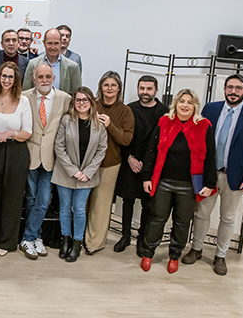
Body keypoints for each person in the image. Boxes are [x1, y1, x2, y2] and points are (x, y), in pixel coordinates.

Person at [183, 74, 243, 275]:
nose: (233, 91)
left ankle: (220, 255)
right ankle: (196, 248)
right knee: (201, 213)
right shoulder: (210, 109)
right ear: (224, 89)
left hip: (235, 177)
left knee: (228, 217)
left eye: (238, 88)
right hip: (209, 175)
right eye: (230, 87)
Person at [140, 89, 217, 274]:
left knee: (182, 222)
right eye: (182, 101)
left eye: (189, 102)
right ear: (176, 103)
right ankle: (148, 253)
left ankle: (174, 255)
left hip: (189, 186)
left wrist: (210, 184)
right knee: (157, 218)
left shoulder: (204, 126)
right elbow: (152, 151)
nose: (185, 105)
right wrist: (146, 177)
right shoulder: (164, 122)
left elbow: (210, 157)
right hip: (163, 182)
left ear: (195, 106)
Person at [19, 63, 71, 260]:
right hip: (30, 155)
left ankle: (29, 237)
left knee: (43, 201)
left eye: (48, 76)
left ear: (53, 78)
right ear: (34, 79)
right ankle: (35, 237)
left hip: (51, 158)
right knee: (31, 199)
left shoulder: (65, 99)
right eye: (40, 76)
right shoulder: (24, 96)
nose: (44, 80)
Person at [0, 62, 32, 256]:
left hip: (15, 152)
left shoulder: (23, 101)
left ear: (16, 80)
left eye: (11, 77)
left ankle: (7, 241)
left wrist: (10, 133)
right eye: (4, 76)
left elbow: (27, 132)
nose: (7, 80)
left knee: (12, 199)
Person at [52, 87, 108, 262]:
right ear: (73, 102)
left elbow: (101, 150)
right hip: (65, 173)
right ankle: (65, 240)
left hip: (86, 176)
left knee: (79, 209)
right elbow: (59, 147)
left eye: (85, 100)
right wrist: (73, 171)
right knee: (64, 208)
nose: (81, 103)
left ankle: (77, 243)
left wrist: (87, 172)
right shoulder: (66, 120)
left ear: (91, 102)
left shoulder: (99, 124)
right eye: (78, 100)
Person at [114, 75, 168, 256]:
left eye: (149, 89)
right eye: (142, 88)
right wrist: (129, 158)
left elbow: (165, 142)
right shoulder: (129, 108)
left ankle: (142, 239)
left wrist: (148, 164)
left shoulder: (165, 112)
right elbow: (122, 136)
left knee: (148, 204)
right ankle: (125, 236)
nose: (145, 92)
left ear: (156, 90)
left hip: (151, 166)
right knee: (127, 201)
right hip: (131, 161)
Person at [84, 71, 134, 255]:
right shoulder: (91, 104)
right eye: (106, 85)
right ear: (101, 87)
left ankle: (94, 243)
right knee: (83, 203)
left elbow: (126, 139)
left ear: (119, 88)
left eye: (113, 85)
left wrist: (109, 125)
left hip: (109, 164)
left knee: (101, 205)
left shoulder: (125, 111)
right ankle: (78, 237)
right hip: (86, 163)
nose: (109, 88)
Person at [23, 28, 81, 94]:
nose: (53, 47)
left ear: (61, 43)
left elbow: (77, 94)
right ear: (44, 43)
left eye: (56, 43)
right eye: (49, 43)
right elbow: (26, 92)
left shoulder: (73, 67)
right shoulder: (33, 64)